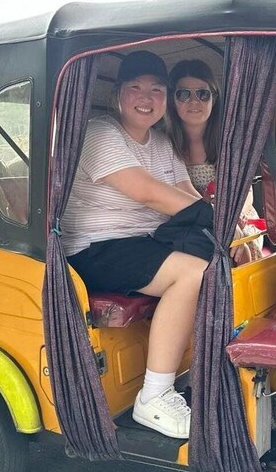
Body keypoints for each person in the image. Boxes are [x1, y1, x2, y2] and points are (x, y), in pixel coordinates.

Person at [62, 50, 212, 439]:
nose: (146, 98)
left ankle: (205, 370)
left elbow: (186, 192)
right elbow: (148, 193)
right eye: (136, 87)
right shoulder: (100, 133)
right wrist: (216, 221)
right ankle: (154, 396)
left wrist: (228, 229)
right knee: (194, 273)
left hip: (147, 242)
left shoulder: (161, 143)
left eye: (157, 89)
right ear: (118, 94)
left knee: (227, 260)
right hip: (97, 247)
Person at [164, 59, 262, 264]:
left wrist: (232, 220)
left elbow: (245, 192)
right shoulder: (164, 143)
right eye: (183, 94)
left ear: (214, 98)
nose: (194, 101)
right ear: (172, 100)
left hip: (235, 217)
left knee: (237, 247)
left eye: (203, 93)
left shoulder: (230, 140)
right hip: (189, 221)